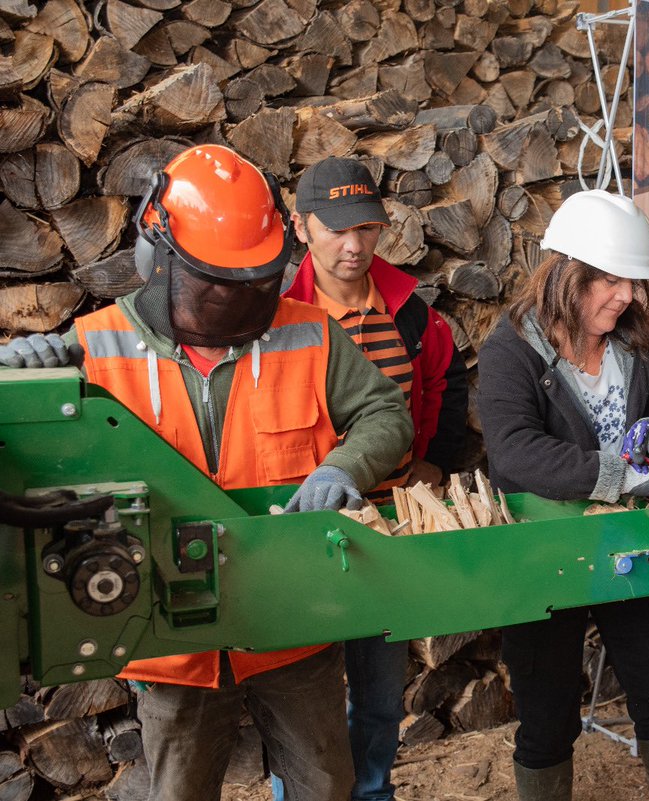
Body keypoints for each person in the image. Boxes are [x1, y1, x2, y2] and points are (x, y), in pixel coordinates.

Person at [0, 145, 413, 801]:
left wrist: (345, 465)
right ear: (156, 256)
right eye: (220, 285)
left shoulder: (310, 334)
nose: (242, 300)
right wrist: (24, 377)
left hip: (295, 622)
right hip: (173, 643)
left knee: (325, 785)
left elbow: (386, 413)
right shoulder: (95, 346)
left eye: (256, 282)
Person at [477, 189, 649, 801]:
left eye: (632, 281)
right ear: (564, 275)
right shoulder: (512, 349)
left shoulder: (638, 337)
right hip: (543, 551)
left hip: (628, 543)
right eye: (610, 280)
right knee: (547, 715)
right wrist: (618, 475)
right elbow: (516, 452)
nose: (626, 295)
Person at [276, 156, 467, 801]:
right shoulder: (278, 313)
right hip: (306, 529)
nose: (353, 245)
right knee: (303, 699)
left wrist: (438, 454)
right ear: (302, 228)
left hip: (391, 526)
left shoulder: (408, 310)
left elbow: (446, 377)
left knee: (382, 691)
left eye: (366, 228)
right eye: (335, 230)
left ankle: (373, 792)